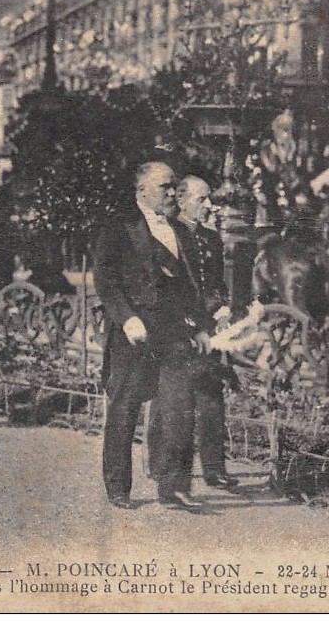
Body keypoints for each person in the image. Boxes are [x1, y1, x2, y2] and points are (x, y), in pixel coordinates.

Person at [93, 161, 217, 512]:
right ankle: (118, 487)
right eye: (164, 187)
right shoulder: (119, 228)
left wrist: (203, 326)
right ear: (141, 192)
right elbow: (105, 279)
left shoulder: (182, 231)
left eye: (175, 186)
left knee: (179, 406)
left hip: (174, 332)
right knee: (124, 408)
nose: (172, 193)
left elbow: (193, 286)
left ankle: (173, 485)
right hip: (135, 333)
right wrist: (127, 318)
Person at [176, 175, 241, 494]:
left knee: (212, 397)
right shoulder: (169, 233)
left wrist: (223, 310)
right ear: (181, 200)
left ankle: (215, 469)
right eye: (201, 199)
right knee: (174, 401)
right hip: (180, 327)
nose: (208, 205)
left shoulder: (211, 238)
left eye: (208, 199)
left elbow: (216, 283)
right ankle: (166, 470)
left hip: (209, 328)